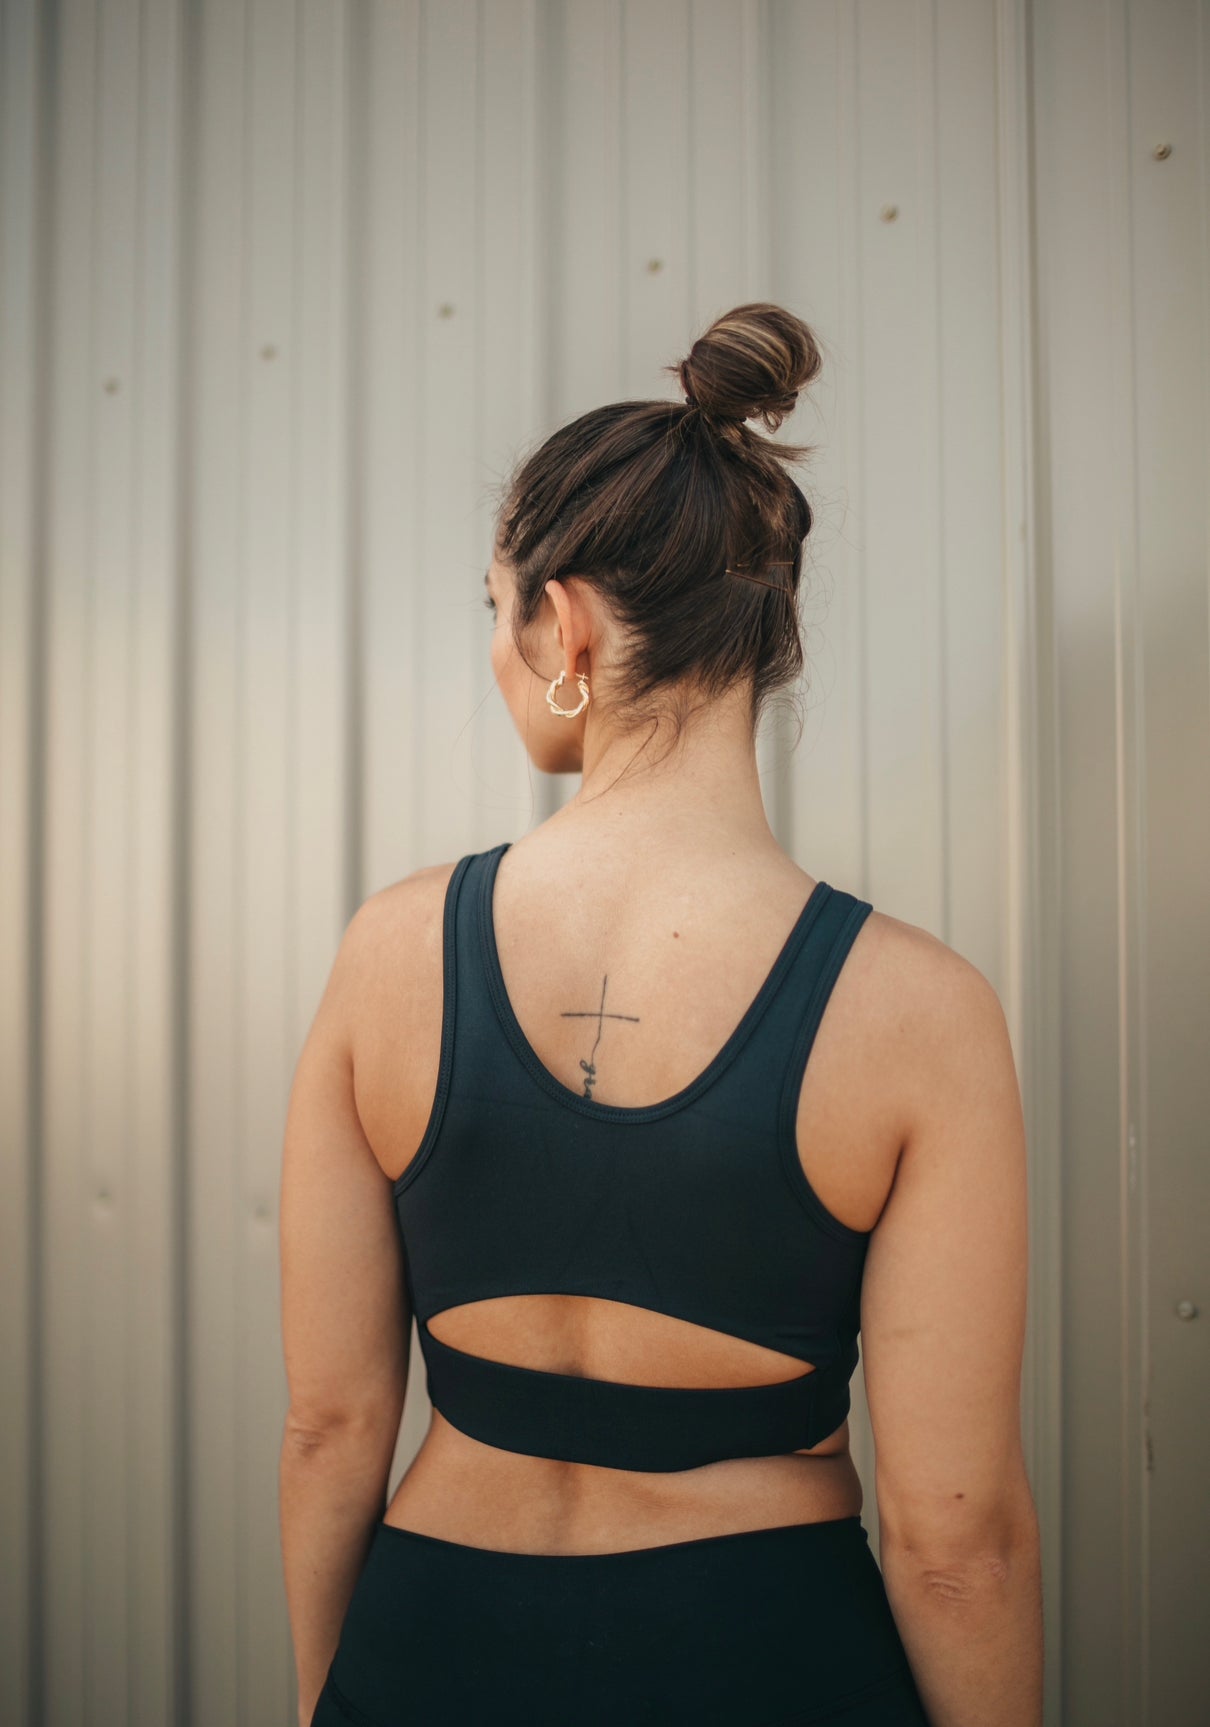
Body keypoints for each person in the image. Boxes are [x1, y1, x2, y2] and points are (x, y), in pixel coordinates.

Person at [279, 302, 1043, 1726]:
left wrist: (340, 1695)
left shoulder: (388, 952)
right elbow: (956, 1547)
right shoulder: (919, 1012)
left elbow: (331, 1430)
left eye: (495, 611)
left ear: (559, 621)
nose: (498, 654)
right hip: (760, 1654)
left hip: (433, 1644)